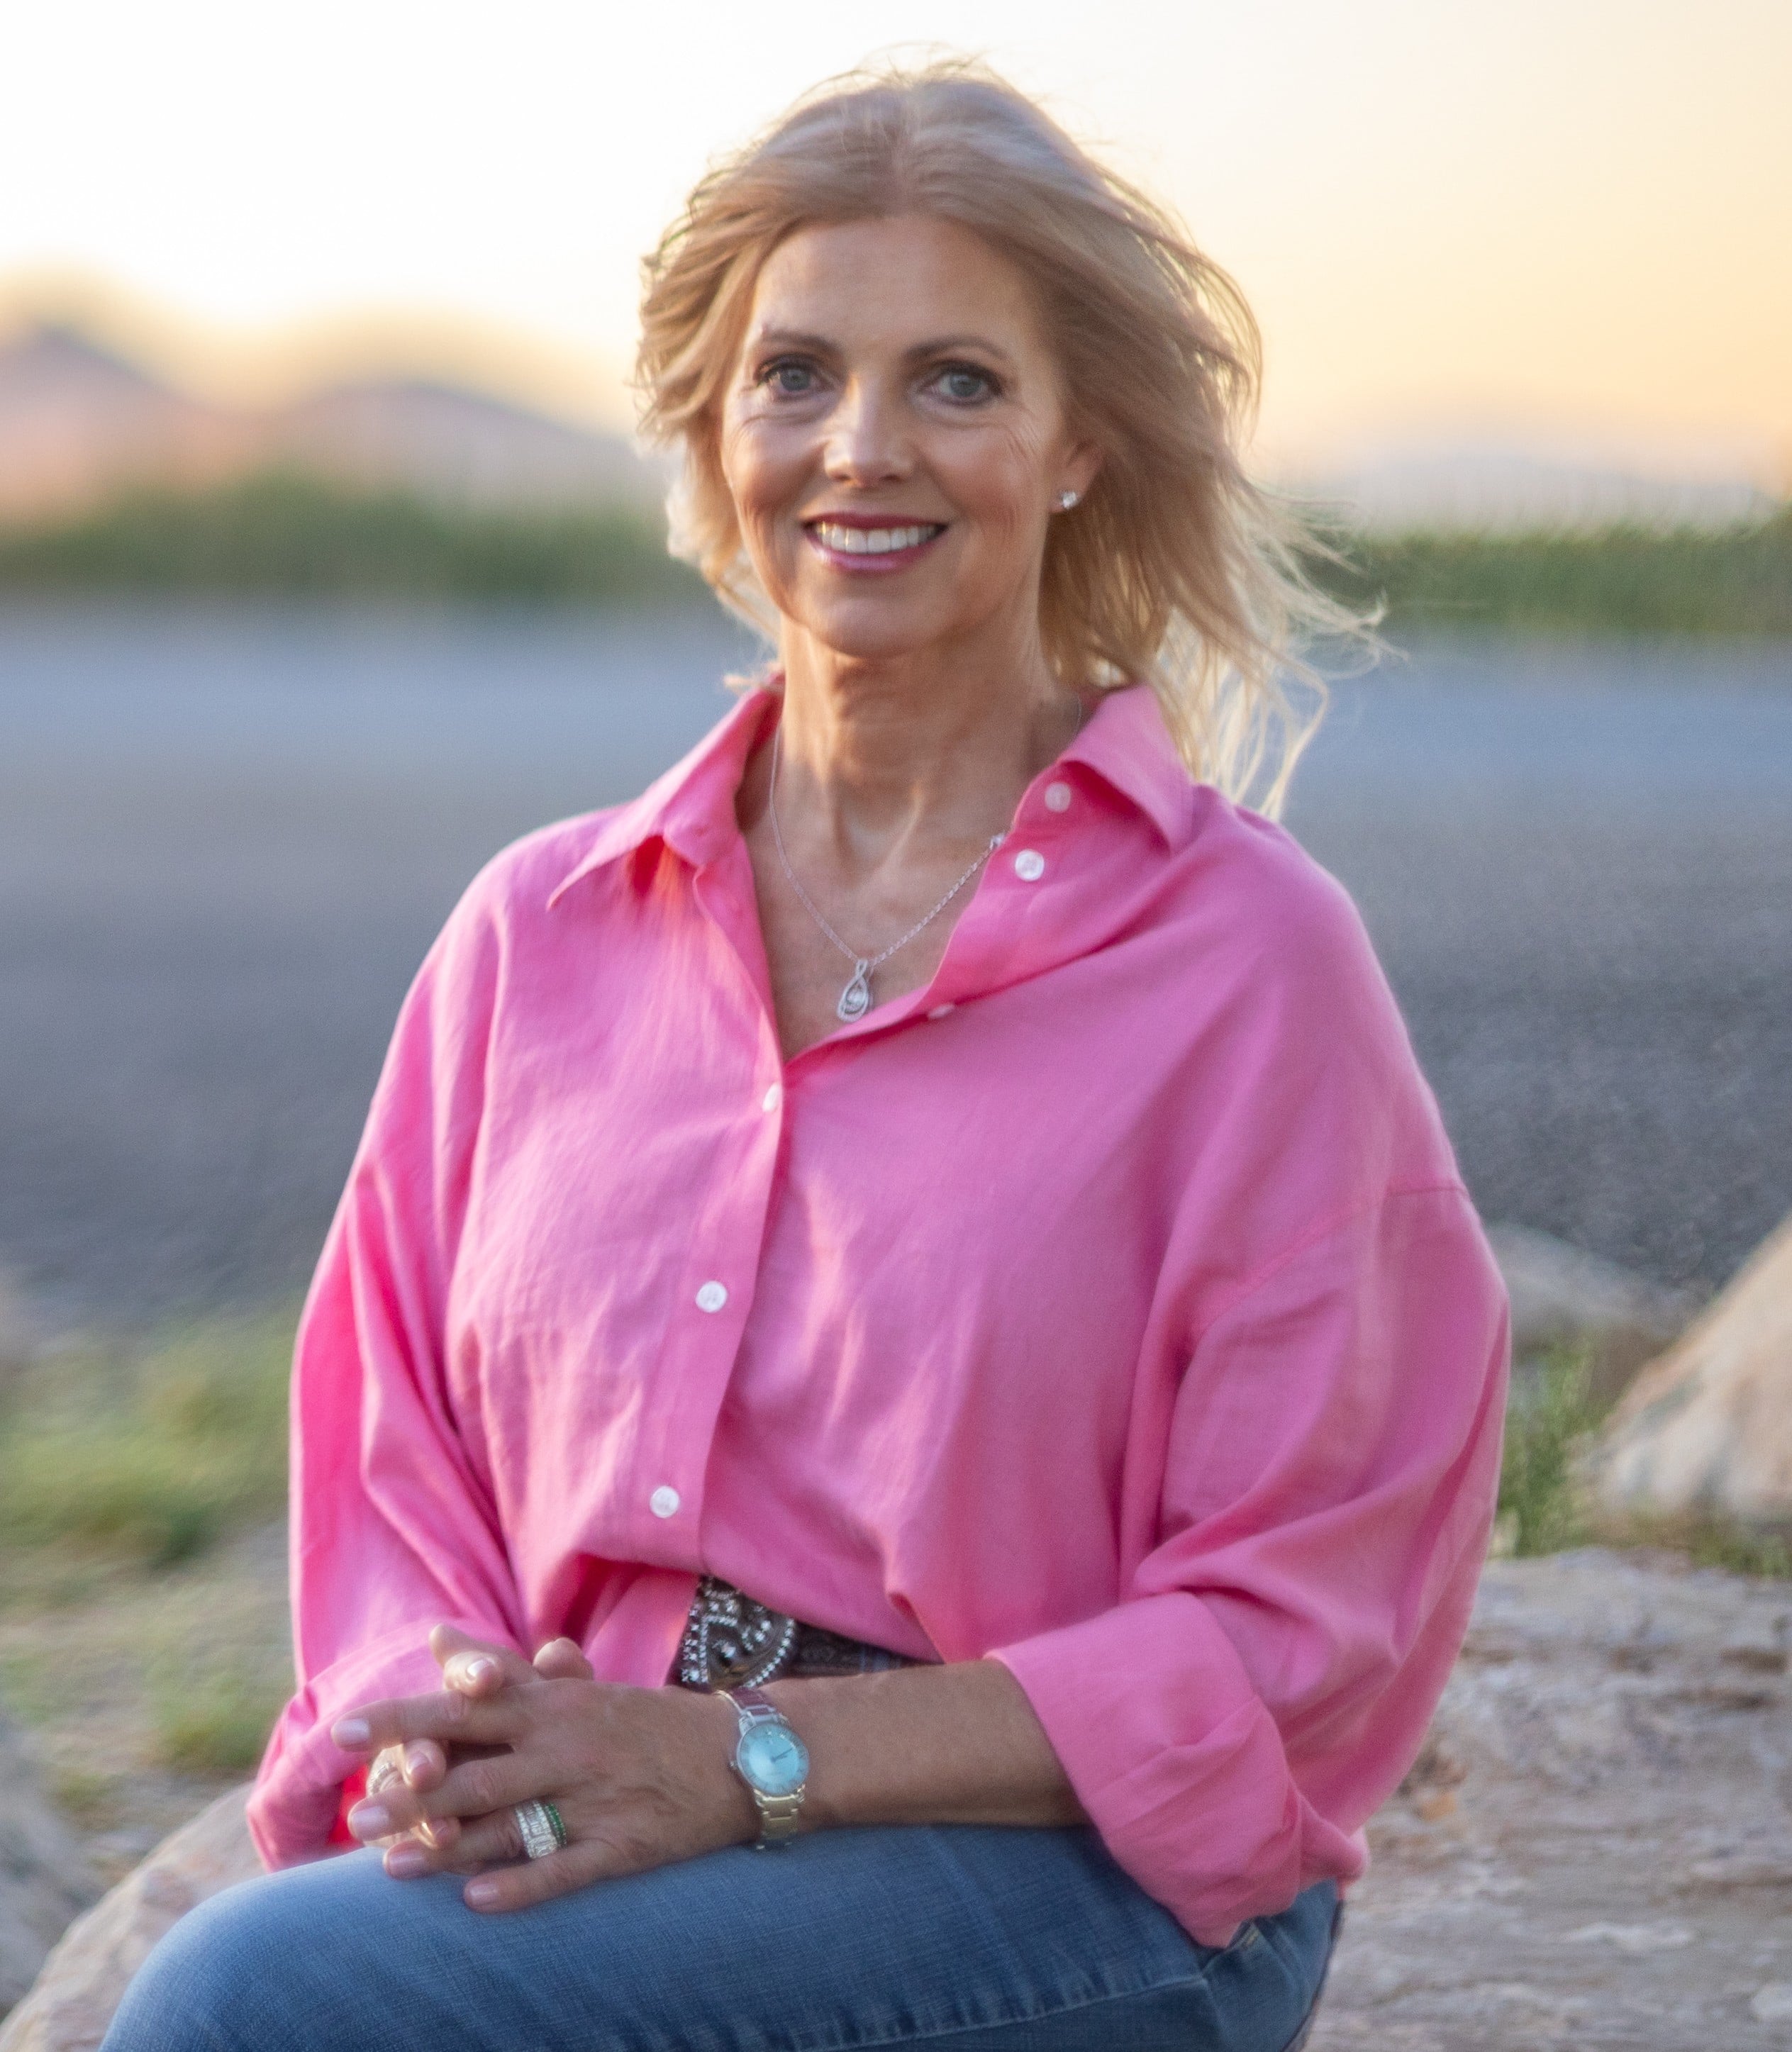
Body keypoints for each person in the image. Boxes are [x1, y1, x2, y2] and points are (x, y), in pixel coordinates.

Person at [103, 59, 1508, 2052]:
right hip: (621, 1815)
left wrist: (750, 1762)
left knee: (263, 2004)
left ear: (1078, 438)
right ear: (712, 430)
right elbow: (394, 1455)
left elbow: (1304, 1624)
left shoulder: (1245, 965)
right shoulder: (537, 935)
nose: (860, 447)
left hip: (1059, 1882)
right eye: (792, 377)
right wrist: (442, 1728)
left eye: (953, 379)